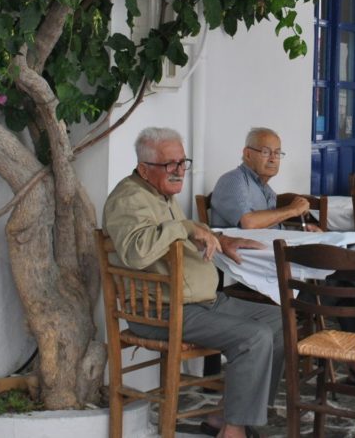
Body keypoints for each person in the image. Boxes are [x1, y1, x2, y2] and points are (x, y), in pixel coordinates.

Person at [103, 127, 284, 438]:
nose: (178, 171)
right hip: (162, 310)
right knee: (253, 337)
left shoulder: (161, 193)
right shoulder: (128, 199)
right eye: (169, 164)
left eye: (182, 162)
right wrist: (185, 226)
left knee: (281, 321)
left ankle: (226, 415)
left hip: (201, 303)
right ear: (144, 168)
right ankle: (235, 429)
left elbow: (184, 231)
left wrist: (219, 239)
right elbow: (136, 252)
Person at [208, 127, 318, 230]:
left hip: (266, 247)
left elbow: (271, 228)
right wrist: (292, 210)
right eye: (266, 152)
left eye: (277, 153)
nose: (273, 159)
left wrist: (301, 230)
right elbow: (249, 223)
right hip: (241, 249)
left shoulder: (266, 189)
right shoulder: (232, 180)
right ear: (247, 154)